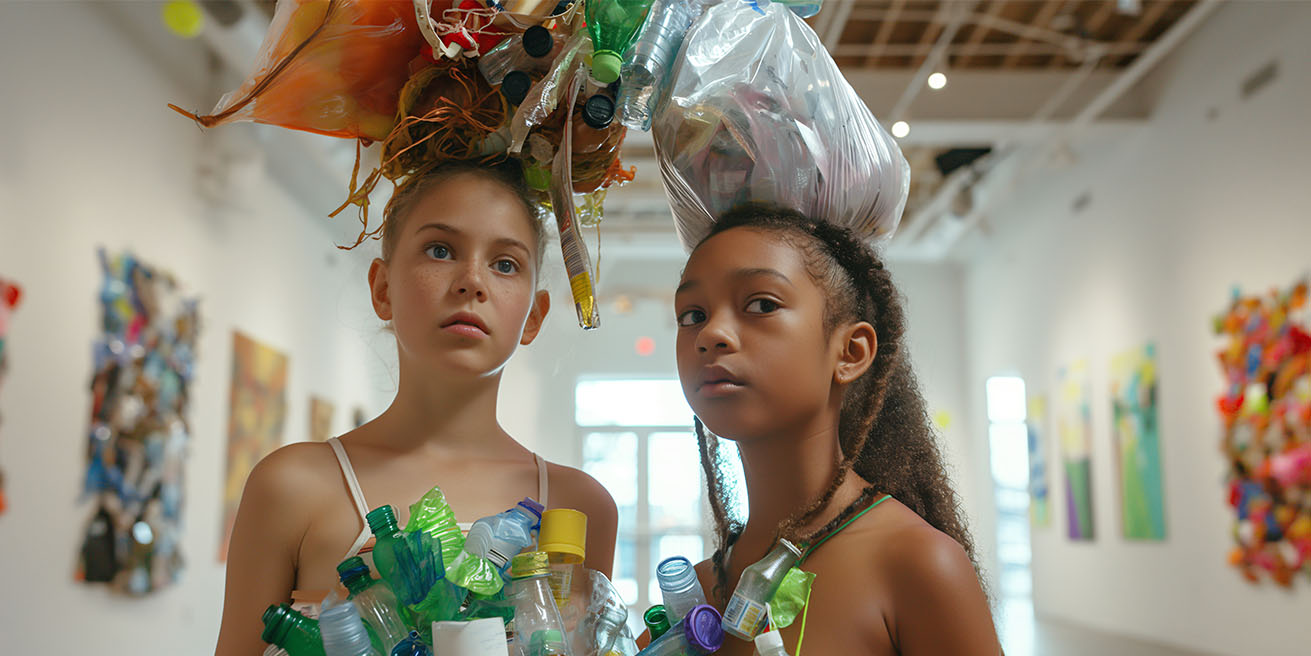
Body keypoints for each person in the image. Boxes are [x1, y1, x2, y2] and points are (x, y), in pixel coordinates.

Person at [215, 160, 618, 655]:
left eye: (505, 263)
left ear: (533, 316)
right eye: (440, 250)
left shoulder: (581, 505)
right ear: (383, 289)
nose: (472, 281)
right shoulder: (292, 485)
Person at [673, 203, 998, 655]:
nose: (712, 334)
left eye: (761, 304)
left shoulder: (917, 564)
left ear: (851, 352)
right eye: (692, 315)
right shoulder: (699, 596)